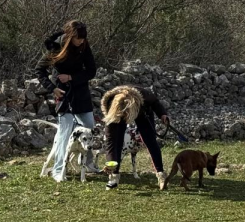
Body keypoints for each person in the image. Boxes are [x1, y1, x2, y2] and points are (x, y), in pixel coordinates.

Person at [36, 20, 98, 183]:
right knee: (65, 131)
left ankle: (87, 163)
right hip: (63, 94)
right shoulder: (56, 47)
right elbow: (39, 70)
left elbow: (92, 71)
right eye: (78, 38)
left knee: (90, 126)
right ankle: (58, 170)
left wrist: (72, 77)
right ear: (70, 37)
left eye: (84, 38)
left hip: (81, 92)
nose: (81, 41)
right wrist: (52, 88)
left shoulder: (84, 46)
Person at [101, 85, 171, 190]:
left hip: (141, 111)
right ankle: (113, 177)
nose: (126, 117)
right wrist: (111, 163)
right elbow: (110, 142)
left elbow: (155, 102)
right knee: (117, 141)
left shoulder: (145, 96)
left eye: (127, 115)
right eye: (124, 115)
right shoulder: (111, 107)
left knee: (150, 140)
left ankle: (161, 174)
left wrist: (162, 114)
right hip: (116, 114)